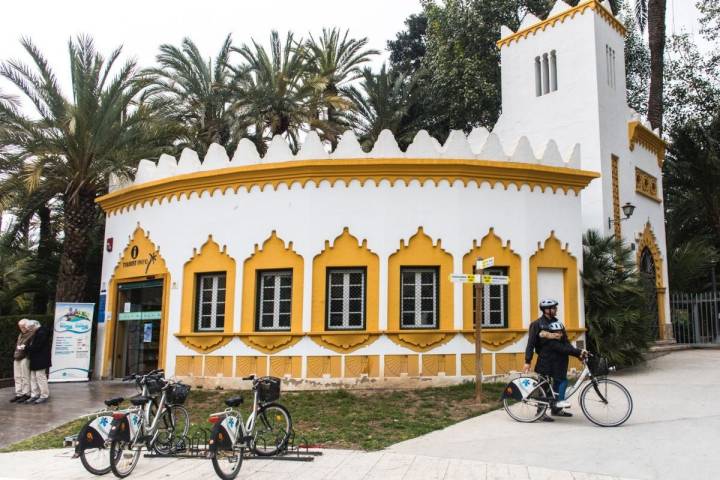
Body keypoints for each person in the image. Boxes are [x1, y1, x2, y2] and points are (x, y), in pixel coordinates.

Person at [523, 299, 587, 421]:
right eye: (554, 308)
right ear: (546, 310)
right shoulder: (537, 324)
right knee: (544, 387)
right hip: (545, 361)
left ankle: (556, 409)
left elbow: (565, 342)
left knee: (558, 385)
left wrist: (577, 354)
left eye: (555, 308)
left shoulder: (558, 323)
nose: (556, 310)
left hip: (560, 361)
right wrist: (527, 361)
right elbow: (530, 344)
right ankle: (540, 413)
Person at [24, 319, 52, 404]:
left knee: (40, 377)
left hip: (41, 359)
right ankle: (35, 394)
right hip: (35, 358)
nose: (29, 330)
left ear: (34, 326)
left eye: (30, 328)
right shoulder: (38, 332)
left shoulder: (42, 332)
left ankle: (44, 395)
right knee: (33, 377)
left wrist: (25, 348)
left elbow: (37, 346)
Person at [10, 319, 35, 403]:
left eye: (23, 326)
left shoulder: (31, 334)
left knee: (25, 376)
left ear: (27, 326)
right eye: (20, 327)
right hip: (17, 356)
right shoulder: (20, 334)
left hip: (25, 357)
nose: (21, 328)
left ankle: (26, 393)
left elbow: (30, 347)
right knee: (17, 376)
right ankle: (19, 393)